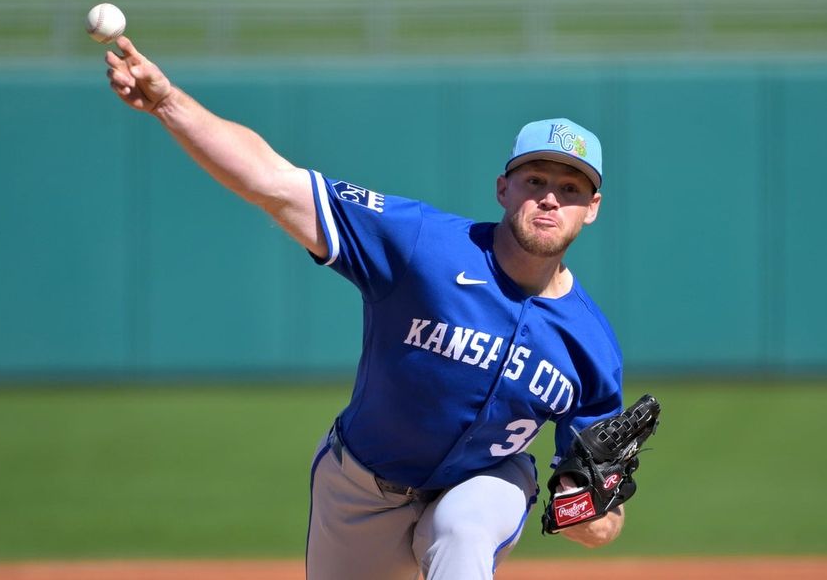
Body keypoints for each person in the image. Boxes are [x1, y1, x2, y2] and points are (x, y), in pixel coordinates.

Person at [104, 36, 627, 580]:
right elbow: (273, 183)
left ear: (591, 209)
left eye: (570, 188)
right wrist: (168, 103)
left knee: (463, 528)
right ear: (503, 188)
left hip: (485, 482)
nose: (549, 198)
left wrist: (587, 510)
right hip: (361, 487)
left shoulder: (590, 345)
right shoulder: (422, 245)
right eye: (535, 180)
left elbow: (597, 521)